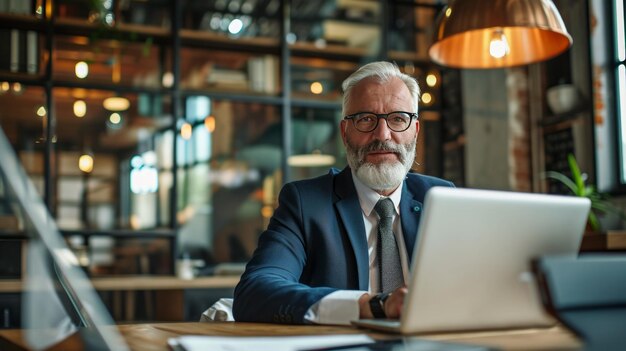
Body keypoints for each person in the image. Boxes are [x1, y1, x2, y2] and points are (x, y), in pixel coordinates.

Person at [232, 61, 454, 325]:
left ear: (415, 131)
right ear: (344, 132)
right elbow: (255, 293)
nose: (382, 135)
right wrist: (371, 306)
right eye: (365, 119)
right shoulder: (305, 203)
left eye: (398, 119)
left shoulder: (441, 199)